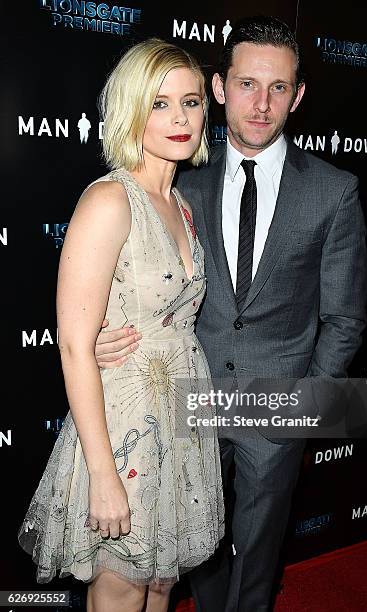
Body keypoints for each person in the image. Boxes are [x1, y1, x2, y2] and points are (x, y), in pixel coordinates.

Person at [95, 16, 367, 612]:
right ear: (219, 89)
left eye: (277, 88)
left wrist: (303, 403)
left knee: (260, 551)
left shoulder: (333, 191)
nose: (261, 104)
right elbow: (132, 286)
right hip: (188, 395)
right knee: (196, 549)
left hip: (277, 401)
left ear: (297, 96)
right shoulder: (178, 183)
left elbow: (345, 318)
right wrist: (100, 338)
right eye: (247, 84)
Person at [17, 39, 225, 612]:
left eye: (190, 101)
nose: (180, 118)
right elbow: (75, 348)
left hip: (182, 414)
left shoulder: (180, 204)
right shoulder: (110, 200)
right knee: (120, 584)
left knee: (161, 582)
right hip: (124, 419)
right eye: (159, 104)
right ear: (132, 110)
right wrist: (104, 474)